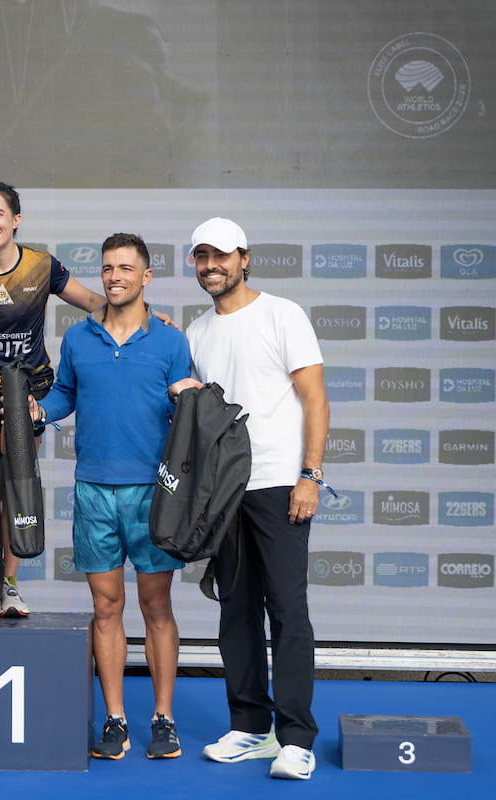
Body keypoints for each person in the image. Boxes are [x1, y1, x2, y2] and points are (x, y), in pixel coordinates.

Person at [170, 217, 330, 780]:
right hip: (223, 495)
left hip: (281, 485)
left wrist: (310, 475)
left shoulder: (282, 314)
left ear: (244, 257)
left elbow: (316, 401)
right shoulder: (195, 333)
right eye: (200, 258)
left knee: (288, 611)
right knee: (236, 612)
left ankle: (296, 738)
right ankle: (251, 729)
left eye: (220, 256)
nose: (210, 266)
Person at [28, 233, 191, 760]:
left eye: (126, 268)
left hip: (154, 493)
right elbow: (64, 396)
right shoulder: (78, 338)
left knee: (156, 605)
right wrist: (39, 411)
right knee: (105, 607)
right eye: (107, 268)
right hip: (94, 490)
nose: (114, 276)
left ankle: (163, 719)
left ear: (146, 277)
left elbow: (187, 415)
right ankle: (116, 721)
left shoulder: (171, 340)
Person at [0, 181, 110, 617]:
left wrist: (143, 313)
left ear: (16, 219)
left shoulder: (41, 266)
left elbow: (93, 301)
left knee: (15, 490)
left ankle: (9, 585)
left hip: (26, 393)